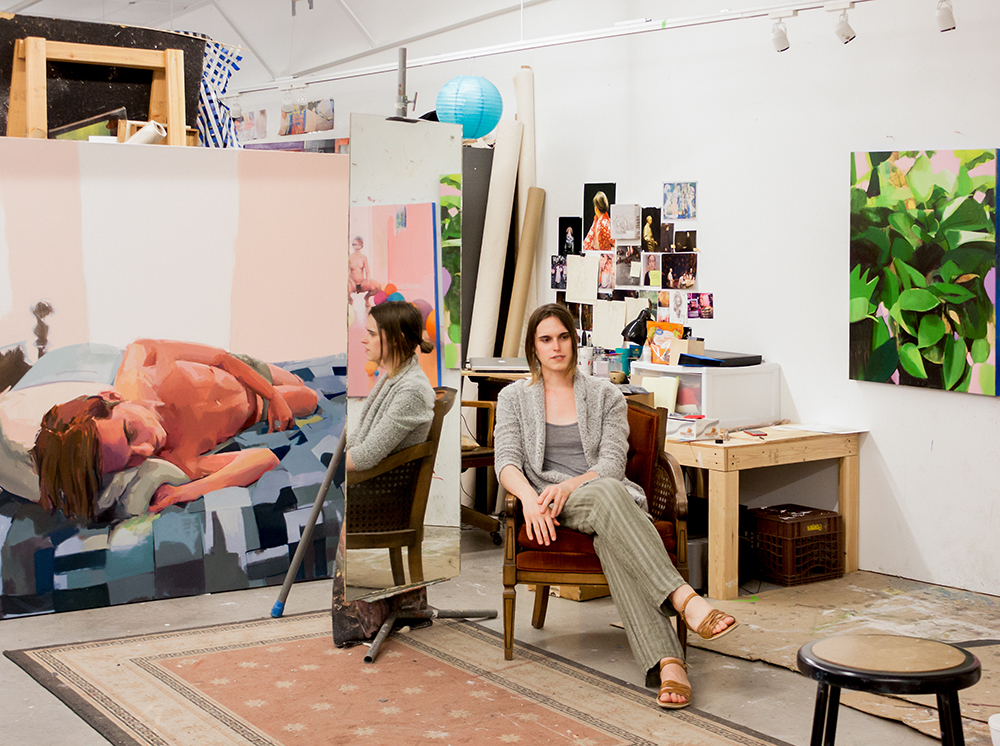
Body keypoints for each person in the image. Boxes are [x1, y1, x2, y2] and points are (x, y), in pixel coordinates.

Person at [493, 304, 737, 709]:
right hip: (549, 503)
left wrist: (571, 485)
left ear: (574, 341)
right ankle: (685, 599)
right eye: (546, 339)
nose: (557, 347)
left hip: (600, 493)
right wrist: (529, 500)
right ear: (533, 348)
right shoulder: (514, 398)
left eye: (564, 337)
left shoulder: (604, 394)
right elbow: (506, 460)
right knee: (608, 496)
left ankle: (669, 664)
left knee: (609, 516)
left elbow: (610, 465)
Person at [33, 340, 320, 521]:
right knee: (310, 399)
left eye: (130, 433)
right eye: (131, 460)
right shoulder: (175, 460)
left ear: (112, 397)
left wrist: (272, 394)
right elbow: (264, 459)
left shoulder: (143, 358)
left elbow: (220, 358)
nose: (146, 449)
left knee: (296, 381)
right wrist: (183, 493)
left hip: (245, 372)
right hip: (257, 410)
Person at [345, 301, 436, 473]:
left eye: (372, 334)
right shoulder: (393, 377)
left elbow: (365, 456)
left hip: (377, 485)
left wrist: (327, 468)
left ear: (396, 339)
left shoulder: (412, 391)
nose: (364, 340)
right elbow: (360, 438)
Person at [348, 236, 382, 307]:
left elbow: (367, 272)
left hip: (362, 283)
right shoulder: (350, 257)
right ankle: (350, 300)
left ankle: (366, 298)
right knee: (347, 289)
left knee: (377, 286)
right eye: (356, 243)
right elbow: (347, 273)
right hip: (352, 283)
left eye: (360, 243)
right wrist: (352, 282)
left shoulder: (363, 258)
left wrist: (368, 281)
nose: (358, 245)